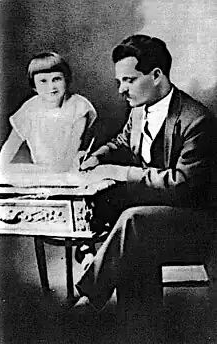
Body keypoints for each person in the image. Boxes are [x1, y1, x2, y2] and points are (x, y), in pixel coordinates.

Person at [74, 34, 217, 313]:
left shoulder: (196, 120)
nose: (121, 90)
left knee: (133, 219)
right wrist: (95, 158)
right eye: (119, 82)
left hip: (198, 220)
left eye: (128, 80)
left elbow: (182, 185)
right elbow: (122, 142)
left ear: (155, 75)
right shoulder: (139, 111)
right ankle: (135, 317)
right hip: (159, 214)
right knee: (102, 205)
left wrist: (121, 171)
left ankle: (90, 298)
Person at [0, 52, 97, 173]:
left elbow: (73, 147)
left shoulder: (78, 106)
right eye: (43, 81)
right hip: (41, 170)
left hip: (72, 169)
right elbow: (10, 146)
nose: (51, 86)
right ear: (34, 86)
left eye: (56, 79)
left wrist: (59, 173)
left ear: (66, 80)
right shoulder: (30, 108)